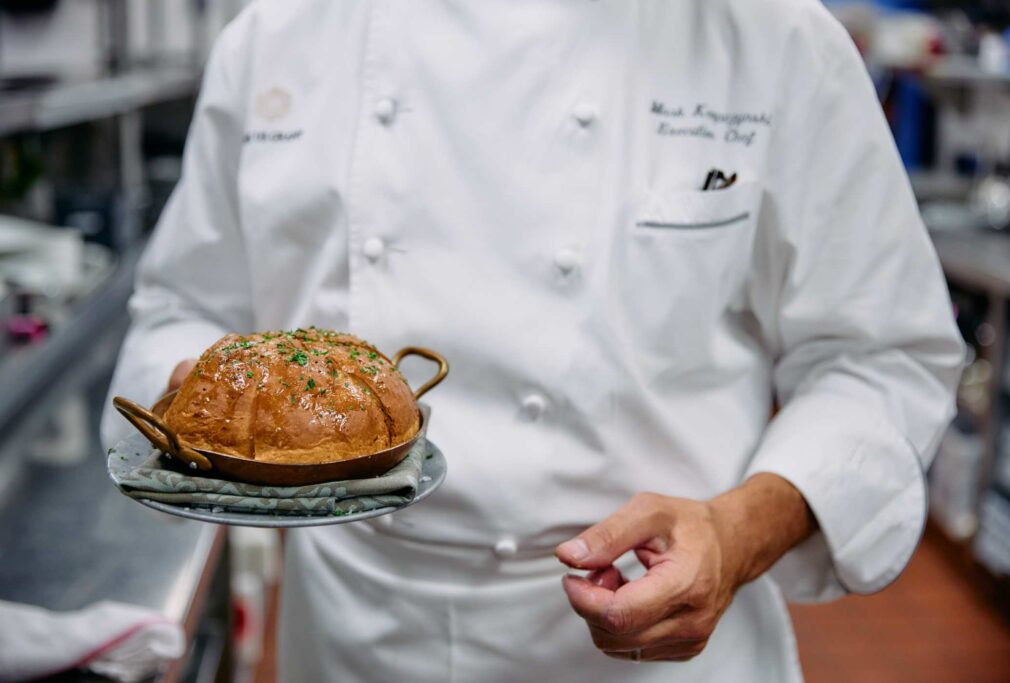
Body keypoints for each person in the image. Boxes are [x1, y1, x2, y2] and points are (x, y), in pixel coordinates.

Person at [102, 1, 964, 681]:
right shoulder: (276, 36)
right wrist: (215, 413)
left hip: (649, 654)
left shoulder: (769, 33)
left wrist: (736, 533)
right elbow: (181, 304)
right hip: (354, 632)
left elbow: (880, 356)